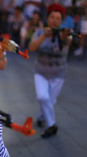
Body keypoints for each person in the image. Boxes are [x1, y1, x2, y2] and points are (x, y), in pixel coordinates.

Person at [28, 3, 72, 138]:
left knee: (49, 101)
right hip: (40, 72)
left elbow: (69, 40)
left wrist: (65, 36)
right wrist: (43, 37)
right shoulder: (40, 32)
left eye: (58, 18)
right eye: (52, 17)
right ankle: (52, 125)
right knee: (42, 97)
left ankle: (41, 117)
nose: (54, 20)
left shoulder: (65, 33)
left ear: (61, 21)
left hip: (58, 74)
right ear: (48, 18)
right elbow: (32, 48)